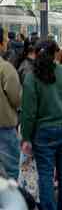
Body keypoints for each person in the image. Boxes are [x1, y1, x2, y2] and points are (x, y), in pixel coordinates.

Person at [20, 40, 62, 210]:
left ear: (36, 54)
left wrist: (26, 137)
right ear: (56, 54)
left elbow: (28, 112)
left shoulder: (31, 77)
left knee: (45, 175)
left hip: (44, 130)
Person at [0, 28, 22, 180]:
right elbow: (17, 98)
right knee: (11, 172)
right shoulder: (5, 68)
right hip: (4, 127)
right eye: (6, 41)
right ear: (1, 44)